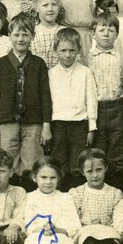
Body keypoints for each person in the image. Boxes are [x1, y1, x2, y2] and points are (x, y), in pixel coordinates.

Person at [0, 12, 52, 186]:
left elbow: (45, 96)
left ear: (33, 36)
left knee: (32, 164)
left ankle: (30, 196)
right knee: (6, 163)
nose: (21, 39)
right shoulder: (1, 64)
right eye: (16, 34)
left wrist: (46, 125)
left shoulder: (39, 64)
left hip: (33, 123)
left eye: (25, 34)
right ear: (9, 35)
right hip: (7, 123)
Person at [21, 156, 82, 244]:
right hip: (38, 233)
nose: (48, 182)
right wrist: (40, 229)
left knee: (64, 242)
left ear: (58, 178)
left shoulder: (65, 197)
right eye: (43, 177)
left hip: (60, 233)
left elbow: (73, 223)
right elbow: (28, 222)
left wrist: (58, 229)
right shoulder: (29, 197)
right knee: (33, 242)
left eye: (52, 178)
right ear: (34, 177)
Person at [49, 27, 97, 191]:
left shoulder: (85, 72)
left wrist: (91, 127)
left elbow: (91, 100)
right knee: (59, 163)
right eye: (63, 50)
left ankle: (77, 195)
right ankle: (59, 196)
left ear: (78, 50)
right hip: (58, 124)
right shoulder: (51, 74)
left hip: (79, 124)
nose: (68, 55)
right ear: (55, 50)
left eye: (72, 50)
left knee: (77, 164)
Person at [70, 149, 123, 244]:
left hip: (107, 230)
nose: (95, 175)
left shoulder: (115, 193)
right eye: (90, 171)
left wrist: (108, 226)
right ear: (83, 172)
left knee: (108, 237)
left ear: (106, 168)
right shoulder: (77, 192)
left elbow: (119, 217)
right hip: (85, 231)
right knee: (88, 237)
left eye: (99, 170)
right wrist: (87, 225)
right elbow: (73, 218)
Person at [87, 13, 123, 190]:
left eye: (111, 30)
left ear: (116, 34)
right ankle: (100, 188)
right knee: (99, 149)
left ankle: (117, 188)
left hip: (117, 106)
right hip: (97, 109)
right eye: (101, 30)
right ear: (93, 34)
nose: (106, 34)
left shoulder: (121, 57)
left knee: (118, 149)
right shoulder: (88, 58)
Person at [29, 0, 67, 69]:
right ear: (36, 8)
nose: (50, 9)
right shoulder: (32, 33)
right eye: (45, 5)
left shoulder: (64, 32)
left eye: (54, 5)